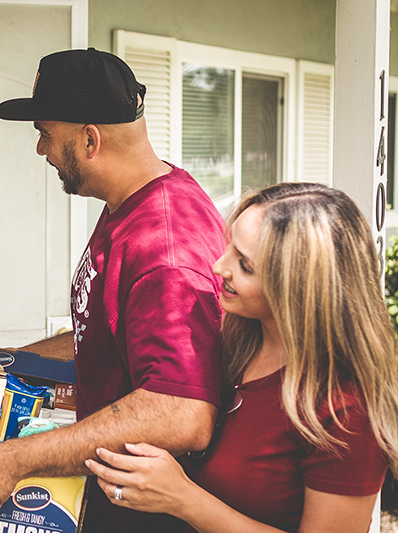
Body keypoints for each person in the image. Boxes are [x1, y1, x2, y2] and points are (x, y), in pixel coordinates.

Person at [0, 48, 227, 531]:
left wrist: (11, 461)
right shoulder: (131, 203)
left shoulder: (165, 250)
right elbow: (107, 332)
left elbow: (181, 412)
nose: (41, 150)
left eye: (46, 134)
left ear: (91, 139)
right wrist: (2, 366)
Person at [86, 182, 398, 533]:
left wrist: (183, 499)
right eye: (229, 244)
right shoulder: (231, 338)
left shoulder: (345, 407)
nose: (219, 266)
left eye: (245, 265)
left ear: (298, 286)